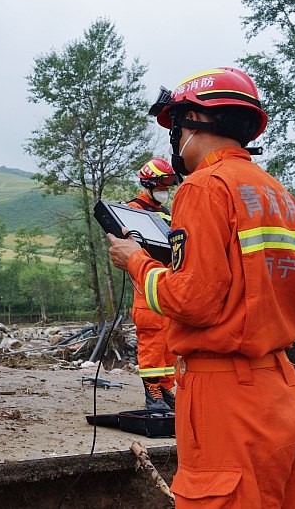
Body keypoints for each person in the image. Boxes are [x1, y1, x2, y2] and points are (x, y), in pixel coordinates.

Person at [107, 67, 295, 507]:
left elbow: (192, 301)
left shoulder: (204, 187)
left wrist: (136, 261)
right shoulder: (280, 195)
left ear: (196, 122)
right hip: (283, 389)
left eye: (175, 126)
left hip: (226, 395)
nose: (174, 138)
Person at [127, 158, 179, 411]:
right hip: (146, 282)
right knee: (152, 338)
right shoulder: (131, 211)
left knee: (170, 340)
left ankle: (166, 387)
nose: (165, 191)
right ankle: (153, 391)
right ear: (148, 184)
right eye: (162, 185)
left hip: (168, 280)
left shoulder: (165, 213)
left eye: (169, 185)